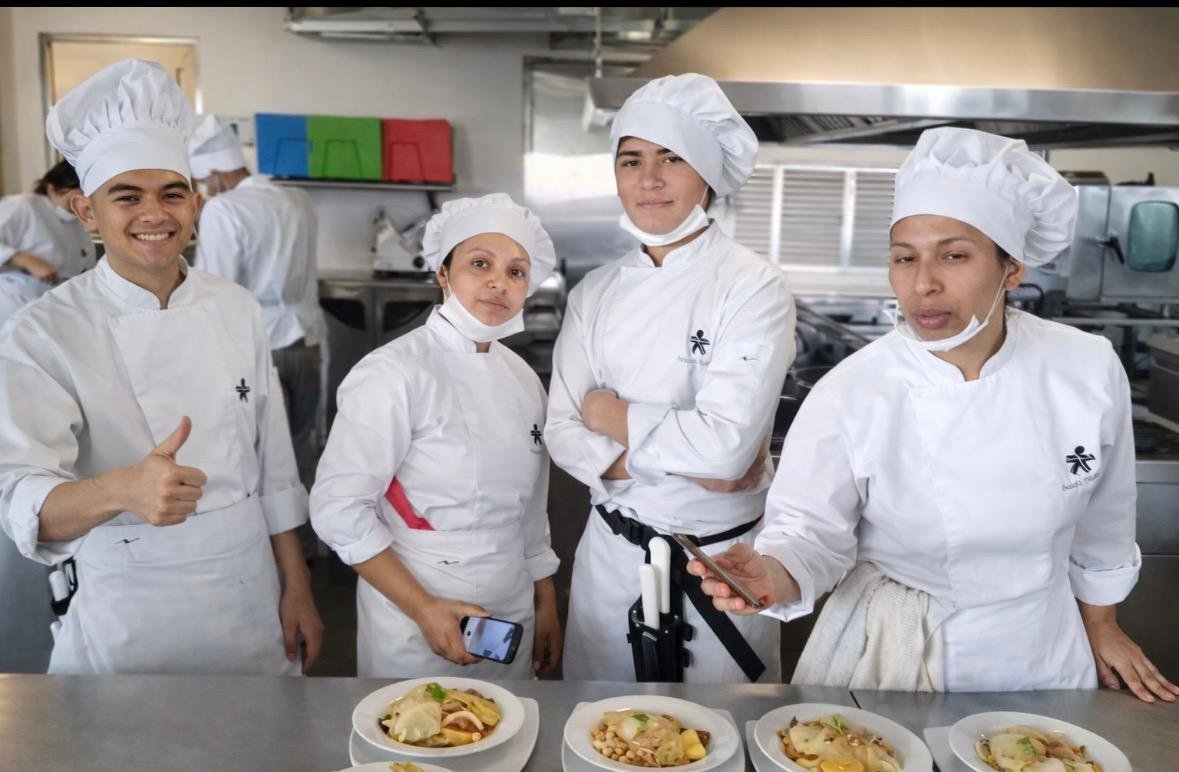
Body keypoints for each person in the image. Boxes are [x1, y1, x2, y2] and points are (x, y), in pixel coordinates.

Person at [691, 127, 1179, 703]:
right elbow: (808, 534)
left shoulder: (1085, 367)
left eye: (954, 255)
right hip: (899, 657)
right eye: (905, 258)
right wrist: (771, 573)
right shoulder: (854, 389)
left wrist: (1101, 624)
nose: (923, 284)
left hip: (1043, 650)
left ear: (1011, 268)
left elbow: (1105, 517)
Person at [0, 58, 323, 675]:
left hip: (249, 593)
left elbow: (274, 464)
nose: (156, 214)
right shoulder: (44, 332)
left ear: (197, 203)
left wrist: (298, 584)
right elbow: (21, 498)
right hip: (128, 605)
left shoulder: (235, 306)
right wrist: (122, 487)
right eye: (128, 197)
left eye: (172, 194)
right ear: (85, 211)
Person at [545, 73, 796, 683]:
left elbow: (729, 446)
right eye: (631, 160)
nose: (648, 178)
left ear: (706, 172)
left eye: (671, 158)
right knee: (602, 733)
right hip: (614, 555)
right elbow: (559, 430)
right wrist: (693, 459)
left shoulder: (752, 286)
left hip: (721, 563)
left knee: (721, 737)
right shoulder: (595, 292)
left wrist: (609, 418)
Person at [311, 193, 562, 679]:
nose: (499, 282)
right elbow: (337, 509)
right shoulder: (393, 373)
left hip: (511, 603)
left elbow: (533, 506)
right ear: (442, 274)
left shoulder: (523, 377)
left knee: (511, 738)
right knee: (419, 743)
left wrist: (545, 601)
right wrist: (423, 608)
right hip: (415, 605)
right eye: (479, 263)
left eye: (516, 271)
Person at [188, 115, 325, 488]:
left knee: (259, 450)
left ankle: (270, 541)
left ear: (214, 170)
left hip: (259, 344)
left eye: (203, 181)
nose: (205, 189)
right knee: (301, 440)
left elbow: (214, 287)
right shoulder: (298, 199)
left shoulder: (224, 209)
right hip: (307, 341)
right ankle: (309, 542)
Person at [0, 160, 95, 672]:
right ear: (57, 189)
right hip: (12, 331)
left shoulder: (77, 224)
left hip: (62, 348)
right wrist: (19, 257)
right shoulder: (21, 209)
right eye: (75, 195)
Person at [0, 160, 95, 326]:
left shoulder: (76, 220)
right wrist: (23, 258)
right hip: (16, 302)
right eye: (76, 197)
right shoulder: (25, 205)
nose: (80, 206)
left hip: (54, 306)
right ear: (52, 189)